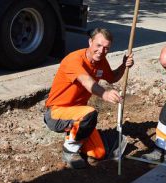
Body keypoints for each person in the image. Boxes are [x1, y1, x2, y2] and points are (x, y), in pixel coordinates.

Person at [44, 28, 134, 169]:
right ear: (90, 41)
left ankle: (79, 135)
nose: (101, 51)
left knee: (100, 153)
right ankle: (70, 150)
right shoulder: (74, 60)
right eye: (98, 45)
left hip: (78, 113)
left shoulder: (101, 61)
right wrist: (105, 94)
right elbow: (87, 81)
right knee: (89, 113)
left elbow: (112, 78)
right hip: (57, 112)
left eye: (106, 48)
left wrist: (124, 66)